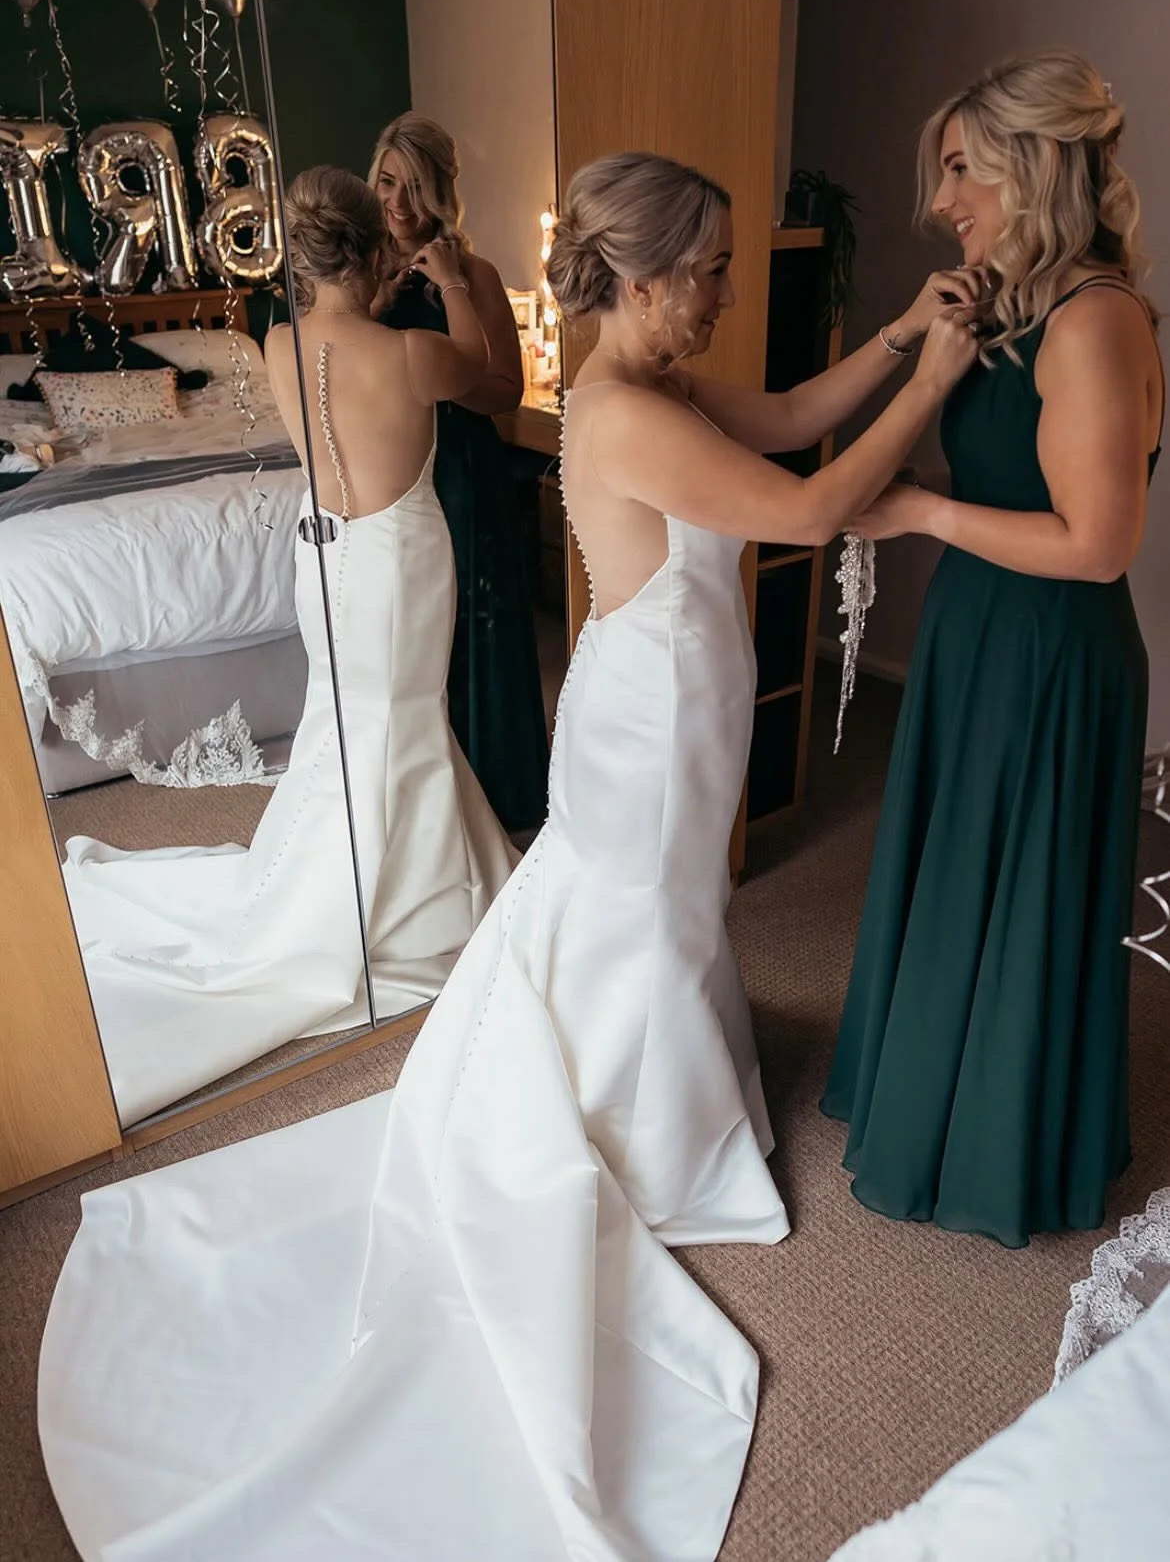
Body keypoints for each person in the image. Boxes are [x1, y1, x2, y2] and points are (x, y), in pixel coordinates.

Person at [37, 151, 976, 1562]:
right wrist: (938, 379)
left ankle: (656, 1079)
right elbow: (800, 504)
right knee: (644, 913)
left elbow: (789, 414)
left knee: (658, 913)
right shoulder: (613, 412)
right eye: (709, 270)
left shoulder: (654, 390)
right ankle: (644, 1127)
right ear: (645, 274)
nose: (724, 292)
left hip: (677, 690)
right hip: (650, 713)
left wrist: (901, 332)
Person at [60, 167, 517, 1127]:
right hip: (398, 559)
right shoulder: (411, 354)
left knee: (344, 724)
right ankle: (413, 901)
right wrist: (458, 271)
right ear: (373, 251)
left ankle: (369, 875)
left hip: (323, 557)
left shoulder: (277, 340)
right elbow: (486, 370)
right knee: (401, 720)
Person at [822, 50, 1165, 1248]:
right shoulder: (1015, 307)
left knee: (1011, 881)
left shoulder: (1094, 318)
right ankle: (936, 1097)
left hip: (1050, 648)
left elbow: (1100, 542)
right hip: (985, 625)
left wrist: (920, 512)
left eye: (962, 168)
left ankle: (1003, 1139)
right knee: (962, 865)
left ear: (1031, 165)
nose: (942, 199)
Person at [369, 112, 550, 832]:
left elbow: (505, 389)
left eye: (414, 187)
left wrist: (444, 368)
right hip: (393, 465)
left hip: (463, 467)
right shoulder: (362, 274)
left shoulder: (475, 274)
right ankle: (416, 803)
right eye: (387, 182)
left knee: (474, 622)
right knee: (407, 623)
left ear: (439, 193)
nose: (399, 204)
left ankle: (495, 791)